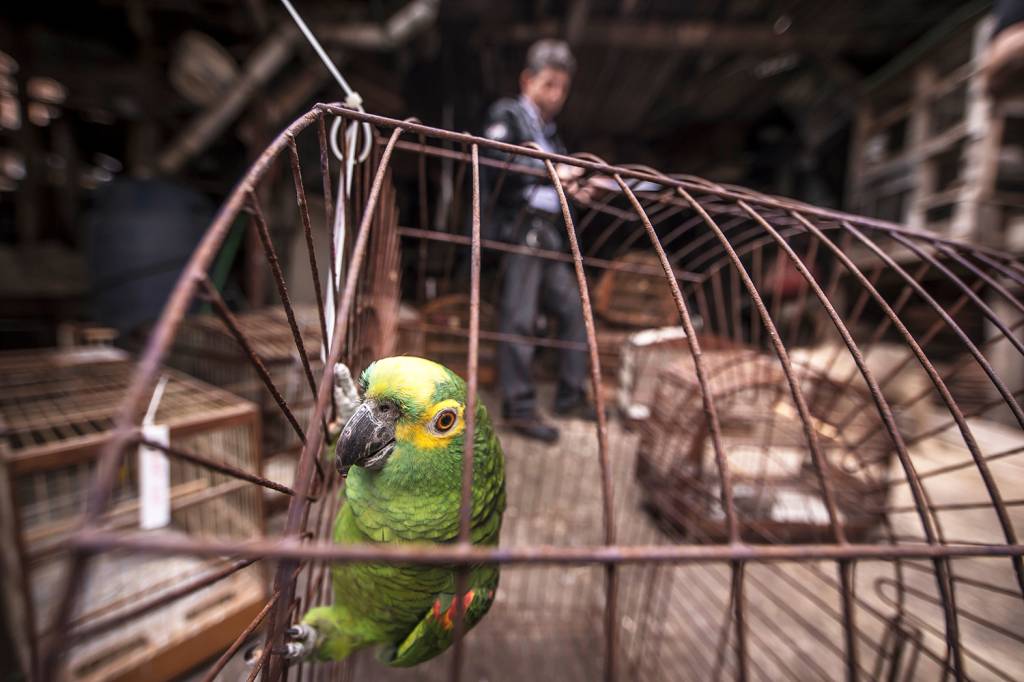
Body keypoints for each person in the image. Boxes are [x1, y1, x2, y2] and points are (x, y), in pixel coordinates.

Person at [482, 39, 596, 443]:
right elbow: (499, 160)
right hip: (520, 230)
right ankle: (519, 407)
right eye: (549, 84)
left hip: (548, 234)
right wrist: (551, 171)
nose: (556, 95)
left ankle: (570, 395)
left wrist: (577, 189)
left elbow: (558, 181)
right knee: (520, 318)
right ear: (526, 80)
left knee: (574, 309)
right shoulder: (508, 116)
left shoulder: (550, 135)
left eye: (562, 87)